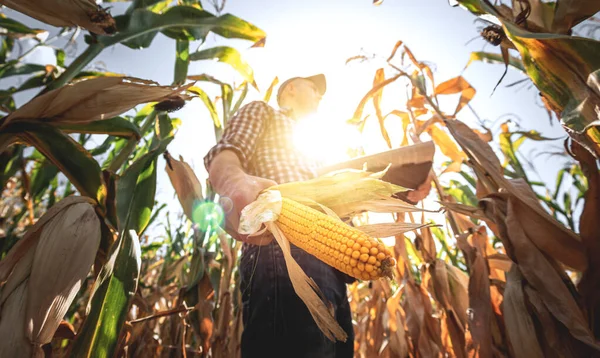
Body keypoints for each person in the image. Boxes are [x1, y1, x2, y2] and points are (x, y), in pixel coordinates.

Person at [204, 74, 355, 358]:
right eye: (313, 88)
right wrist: (232, 181)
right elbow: (226, 153)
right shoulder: (264, 113)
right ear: (290, 89)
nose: (319, 97)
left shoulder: (316, 145)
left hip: (332, 261)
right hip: (283, 249)